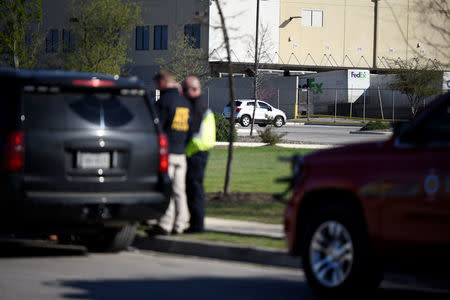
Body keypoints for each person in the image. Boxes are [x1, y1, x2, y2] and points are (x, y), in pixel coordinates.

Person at [150, 71, 192, 235]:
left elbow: (157, 128)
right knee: (179, 191)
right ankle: (181, 224)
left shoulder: (164, 102)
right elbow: (190, 128)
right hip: (181, 152)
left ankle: (165, 224)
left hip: (168, 153)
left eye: (156, 84)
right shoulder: (185, 102)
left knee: (167, 190)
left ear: (162, 82)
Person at [183, 76, 216, 233]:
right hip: (201, 150)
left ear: (194, 89)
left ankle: (196, 225)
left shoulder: (196, 107)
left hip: (195, 152)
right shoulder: (203, 105)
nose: (183, 92)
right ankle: (196, 223)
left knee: (194, 189)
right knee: (196, 188)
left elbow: (192, 132)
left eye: (185, 89)